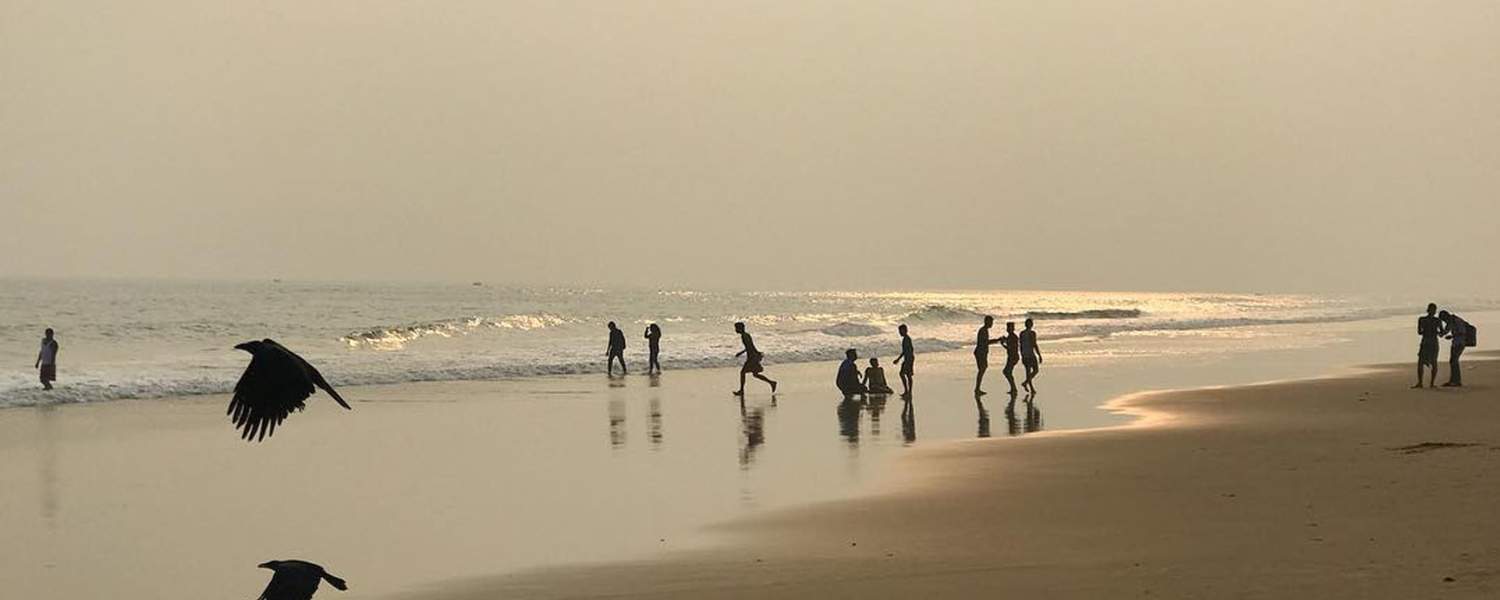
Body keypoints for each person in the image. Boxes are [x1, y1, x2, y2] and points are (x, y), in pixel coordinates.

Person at [734, 322, 778, 395]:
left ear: (740, 328)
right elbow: (750, 346)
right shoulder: (746, 335)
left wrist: (753, 355)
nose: (735, 329)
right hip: (753, 356)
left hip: (752, 357)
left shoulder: (744, 336)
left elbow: (750, 347)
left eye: (736, 328)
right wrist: (743, 352)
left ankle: (742, 391)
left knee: (743, 373)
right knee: (755, 374)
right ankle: (772, 383)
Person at [973, 316, 1005, 395]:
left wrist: (997, 340)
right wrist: (997, 340)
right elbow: (986, 342)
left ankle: (977, 388)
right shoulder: (983, 330)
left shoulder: (984, 330)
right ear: (987, 322)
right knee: (982, 370)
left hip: (982, 352)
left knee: (982, 369)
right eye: (991, 322)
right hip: (980, 352)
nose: (992, 324)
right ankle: (977, 389)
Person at [1439, 310, 1469, 387]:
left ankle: (1456, 381)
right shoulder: (1451, 321)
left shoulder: (1456, 320)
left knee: (1454, 361)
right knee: (1453, 361)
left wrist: (1452, 336)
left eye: (1443, 319)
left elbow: (1463, 332)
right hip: (1456, 343)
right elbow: (1445, 332)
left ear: (1446, 316)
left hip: (1460, 343)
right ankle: (1453, 380)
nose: (1444, 321)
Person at [1415, 303, 1441, 388]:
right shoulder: (1437, 321)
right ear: (1435, 311)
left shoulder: (1422, 319)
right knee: (1434, 362)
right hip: (1434, 342)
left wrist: (1426, 331)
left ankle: (1420, 382)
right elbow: (1441, 333)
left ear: (1427, 310)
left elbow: (1419, 332)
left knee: (1420, 363)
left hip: (1425, 342)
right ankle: (1432, 383)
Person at [1019, 318, 1043, 393]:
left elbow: (1021, 345)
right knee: (1034, 370)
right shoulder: (1032, 333)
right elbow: (1034, 344)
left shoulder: (1022, 333)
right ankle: (1030, 387)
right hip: (1030, 354)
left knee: (1029, 371)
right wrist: (1039, 355)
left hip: (1025, 354)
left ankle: (1026, 383)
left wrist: (1022, 355)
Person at [892, 324, 915, 397]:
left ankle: (907, 391)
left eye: (900, 331)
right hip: (910, 358)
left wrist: (898, 359)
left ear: (905, 330)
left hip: (909, 359)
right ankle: (908, 392)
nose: (899, 333)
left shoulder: (906, 339)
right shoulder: (906, 339)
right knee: (908, 375)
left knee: (903, 374)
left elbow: (906, 351)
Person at [999, 321, 1021, 395]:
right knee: (1008, 372)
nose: (1007, 329)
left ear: (1012, 328)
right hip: (1012, 356)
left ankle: (1014, 388)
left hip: (1013, 357)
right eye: (1007, 327)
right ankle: (1013, 388)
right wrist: (1005, 340)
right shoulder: (1011, 336)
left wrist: (1003, 344)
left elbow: (1010, 348)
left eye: (1009, 327)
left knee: (1006, 372)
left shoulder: (1013, 337)